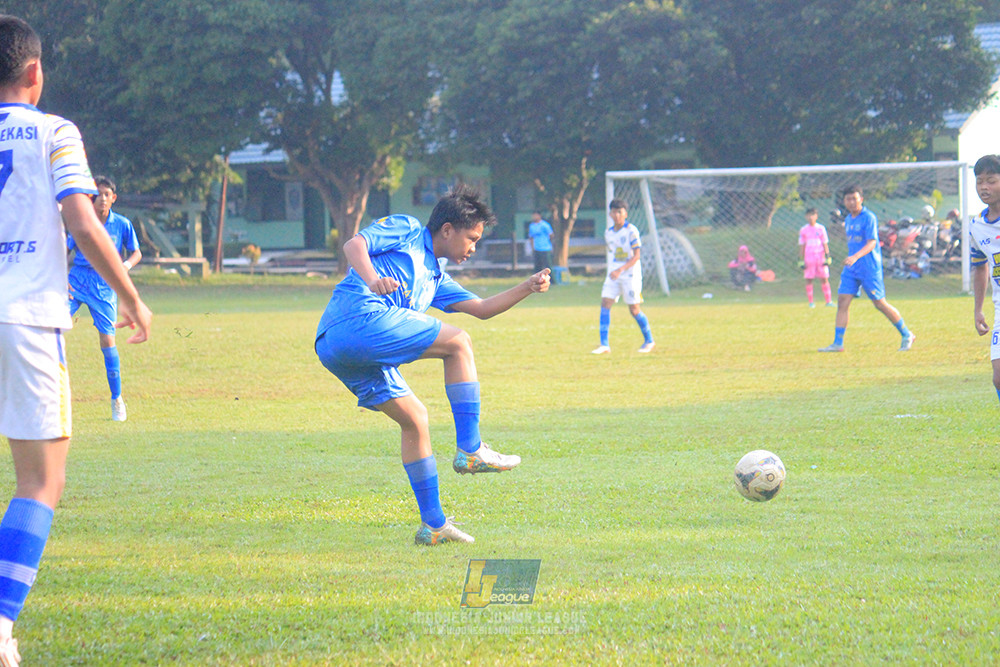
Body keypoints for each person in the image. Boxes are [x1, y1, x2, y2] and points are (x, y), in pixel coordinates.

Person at [0, 15, 152, 666]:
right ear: (35, 72)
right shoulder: (55, 130)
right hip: (28, 314)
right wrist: (132, 293)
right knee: (41, 479)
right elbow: (83, 221)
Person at [314, 185, 550, 546]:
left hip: (335, 348)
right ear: (447, 230)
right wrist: (373, 279)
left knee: (416, 419)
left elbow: (483, 309)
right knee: (458, 343)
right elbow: (353, 246)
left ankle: (434, 526)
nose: (473, 248)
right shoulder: (407, 228)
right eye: (471, 238)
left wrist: (527, 287)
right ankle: (471, 450)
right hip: (358, 318)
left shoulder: (437, 278)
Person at [67, 176, 142, 422]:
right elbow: (64, 250)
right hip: (76, 280)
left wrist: (126, 266)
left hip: (103, 283)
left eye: (106, 194)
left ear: (113, 198)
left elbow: (136, 252)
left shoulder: (121, 224)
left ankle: (117, 399)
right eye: (97, 194)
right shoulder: (81, 222)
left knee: (107, 340)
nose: (101, 199)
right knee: (51, 329)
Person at [818, 185, 914, 352]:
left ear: (861, 199)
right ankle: (837, 343)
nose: (851, 202)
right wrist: (852, 259)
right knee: (842, 301)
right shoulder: (848, 219)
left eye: (855, 198)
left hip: (869, 268)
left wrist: (856, 256)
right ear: (844, 201)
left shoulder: (869, 217)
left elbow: (872, 242)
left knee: (880, 304)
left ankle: (907, 334)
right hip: (851, 269)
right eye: (848, 199)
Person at [591, 199, 655, 354]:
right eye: (614, 211)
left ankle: (649, 341)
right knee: (605, 303)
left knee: (634, 309)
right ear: (610, 213)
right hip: (613, 274)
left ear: (625, 213)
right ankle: (604, 345)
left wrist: (620, 270)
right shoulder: (609, 233)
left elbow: (636, 255)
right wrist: (615, 270)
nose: (617, 215)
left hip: (630, 275)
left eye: (620, 211)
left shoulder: (631, 231)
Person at [969, 155, 1000, 404]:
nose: (984, 187)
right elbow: (979, 268)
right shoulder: (977, 226)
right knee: (998, 377)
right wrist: (978, 309)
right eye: (980, 182)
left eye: (991, 181)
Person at [798, 208, 833, 307]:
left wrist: (828, 256)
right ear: (806, 216)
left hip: (820, 256)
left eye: (813, 215)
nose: (810, 217)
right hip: (809, 257)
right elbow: (802, 245)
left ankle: (828, 301)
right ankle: (811, 302)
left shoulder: (821, 228)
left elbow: (825, 243)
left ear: (816, 216)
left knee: (824, 278)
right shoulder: (803, 230)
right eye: (808, 215)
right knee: (809, 279)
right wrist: (801, 259)